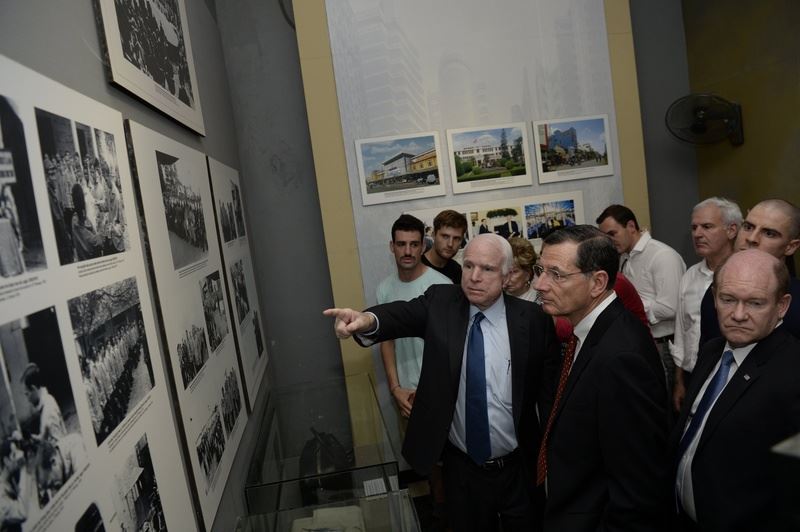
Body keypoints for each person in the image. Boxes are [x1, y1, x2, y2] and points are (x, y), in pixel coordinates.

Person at [325, 233, 558, 531]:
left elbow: (549, 395)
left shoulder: (533, 320)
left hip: (518, 466)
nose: (474, 277)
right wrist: (366, 320)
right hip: (461, 468)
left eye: (486, 269)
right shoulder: (441, 302)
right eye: (468, 265)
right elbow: (400, 315)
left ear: (507, 275)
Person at [532, 225, 669, 531]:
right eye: (540, 270)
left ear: (598, 282)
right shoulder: (590, 334)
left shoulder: (621, 357)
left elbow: (639, 488)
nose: (540, 284)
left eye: (556, 274)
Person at [672, 249, 800, 532]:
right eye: (728, 300)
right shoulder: (712, 350)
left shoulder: (793, 375)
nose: (738, 315)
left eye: (755, 303)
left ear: (782, 306)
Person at [597, 204, 685, 394]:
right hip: (642, 342)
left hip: (664, 347)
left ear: (631, 226)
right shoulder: (624, 257)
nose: (610, 241)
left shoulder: (662, 256)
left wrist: (631, 306)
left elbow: (671, 307)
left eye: (613, 233)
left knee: (664, 409)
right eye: (606, 237)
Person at [699, 199, 800, 346]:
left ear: (791, 247)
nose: (751, 238)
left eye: (769, 233)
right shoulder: (718, 289)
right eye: (748, 227)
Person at [671, 197, 741, 412]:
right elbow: (683, 333)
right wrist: (680, 381)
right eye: (694, 227)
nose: (697, 234)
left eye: (707, 227)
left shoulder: (746, 276)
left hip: (734, 378)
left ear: (731, 230)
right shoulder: (690, 276)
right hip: (694, 376)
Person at [21, 364, 66, 444]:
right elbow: (44, 437)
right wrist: (32, 437)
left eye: (27, 394)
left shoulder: (48, 410)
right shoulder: (46, 403)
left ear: (33, 388)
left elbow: (61, 444)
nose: (28, 400)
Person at [421, 209, 467, 284]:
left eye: (456, 238)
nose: (450, 244)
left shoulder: (456, 269)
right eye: (445, 236)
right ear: (433, 235)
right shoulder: (418, 266)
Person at [0, 437, 34, 532]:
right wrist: (23, 467)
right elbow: (22, 512)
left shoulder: (10, 482)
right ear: (6, 461)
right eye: (14, 454)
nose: (19, 456)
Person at [504, 237, 537, 301]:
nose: (506, 279)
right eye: (504, 271)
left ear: (528, 273)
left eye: (514, 272)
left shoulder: (540, 301)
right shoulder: (496, 298)